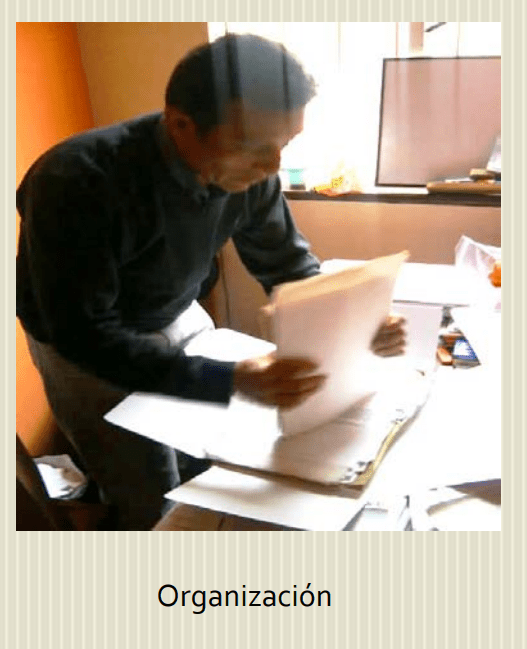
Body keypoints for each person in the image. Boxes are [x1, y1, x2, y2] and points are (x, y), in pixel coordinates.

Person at [16, 34, 405, 530]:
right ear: (181, 123)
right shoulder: (76, 181)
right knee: (148, 488)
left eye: (284, 145)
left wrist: (357, 320)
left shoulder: (253, 174)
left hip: (174, 309)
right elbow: (86, 335)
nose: (272, 167)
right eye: (255, 146)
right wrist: (230, 379)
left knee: (213, 453)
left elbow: (287, 265)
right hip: (84, 342)